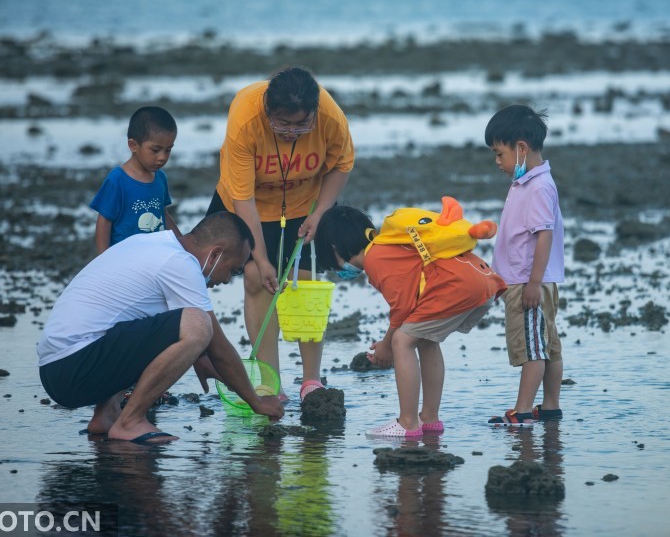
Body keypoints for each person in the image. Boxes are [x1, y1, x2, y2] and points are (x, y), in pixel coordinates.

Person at [37, 212, 284, 443]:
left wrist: (199, 358)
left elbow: (155, 332)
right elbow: (216, 345)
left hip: (58, 368)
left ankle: (106, 414)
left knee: (167, 319)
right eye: (232, 270)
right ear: (215, 253)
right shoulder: (180, 263)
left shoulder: (154, 244)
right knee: (199, 323)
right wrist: (256, 401)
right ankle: (130, 421)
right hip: (72, 367)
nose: (227, 280)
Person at [206, 65, 354, 403]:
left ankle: (311, 382)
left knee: (306, 281)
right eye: (283, 124)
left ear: (314, 113)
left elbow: (341, 165)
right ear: (267, 112)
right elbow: (243, 198)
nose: (292, 132)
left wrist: (321, 212)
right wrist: (259, 255)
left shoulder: (330, 117)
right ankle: (270, 383)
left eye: (302, 124)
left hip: (305, 201)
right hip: (251, 203)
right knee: (259, 278)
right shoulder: (244, 118)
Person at [315, 205, 505, 437]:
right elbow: (412, 305)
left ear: (334, 248)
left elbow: (402, 307)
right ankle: (430, 419)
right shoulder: (389, 245)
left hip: (456, 285)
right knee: (425, 340)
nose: (338, 270)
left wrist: (386, 345)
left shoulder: (375, 257)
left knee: (402, 341)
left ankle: (407, 423)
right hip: (479, 278)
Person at [484, 105, 565, 426]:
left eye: (499, 153)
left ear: (521, 148)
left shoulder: (539, 186)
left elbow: (543, 237)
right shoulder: (529, 182)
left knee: (533, 350)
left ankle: (521, 411)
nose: (497, 162)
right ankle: (549, 406)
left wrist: (532, 283)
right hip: (529, 280)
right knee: (548, 347)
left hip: (528, 283)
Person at [91, 106, 181, 255]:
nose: (162, 157)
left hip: (154, 255)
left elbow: (163, 215)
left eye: (168, 150)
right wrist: (103, 259)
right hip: (124, 257)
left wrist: (183, 244)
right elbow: (104, 221)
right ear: (133, 145)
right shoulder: (117, 179)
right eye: (155, 150)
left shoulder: (160, 178)